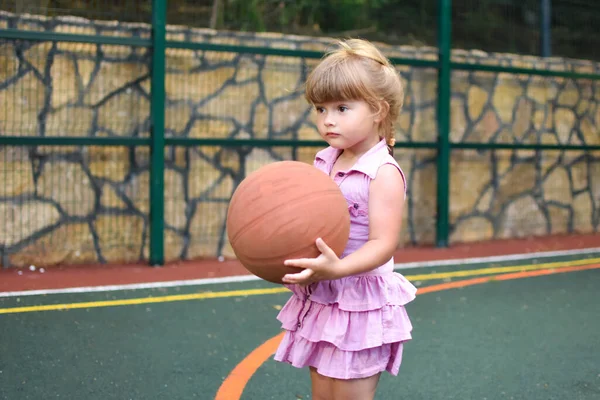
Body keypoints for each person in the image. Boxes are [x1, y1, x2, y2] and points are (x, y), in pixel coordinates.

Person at [273, 38, 418, 400]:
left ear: (377, 111)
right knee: (323, 393)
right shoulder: (325, 160)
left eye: (341, 108)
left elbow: (383, 244)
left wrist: (336, 269)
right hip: (325, 294)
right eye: (320, 109)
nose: (328, 120)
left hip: (360, 299)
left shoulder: (382, 172)